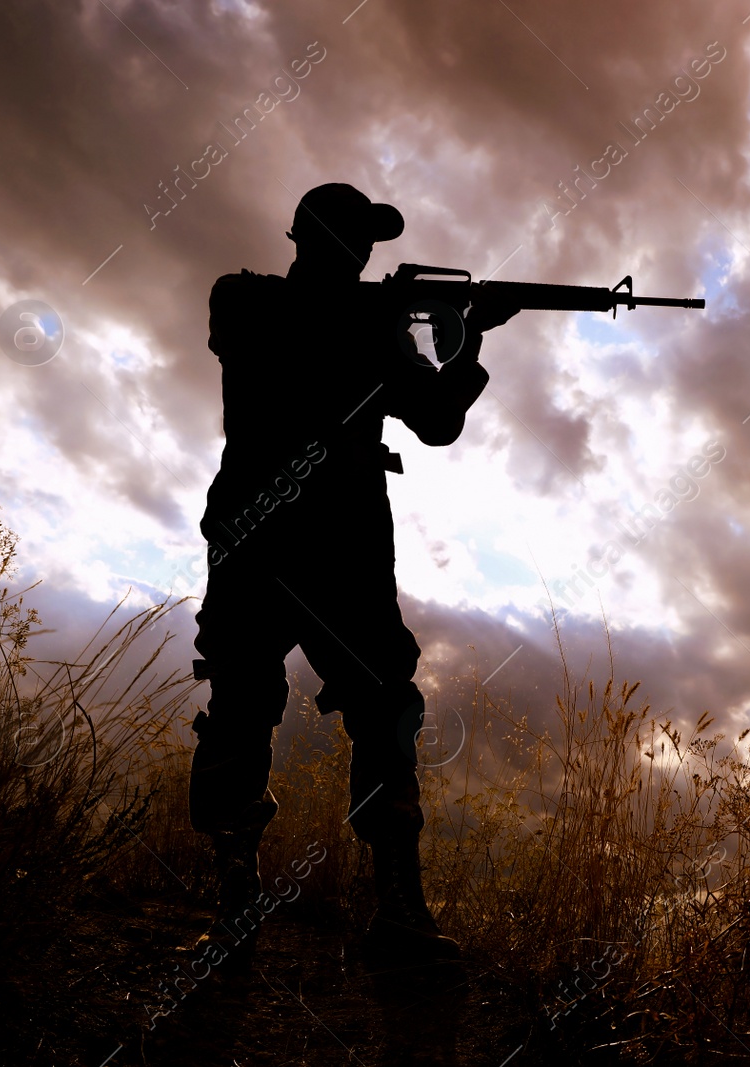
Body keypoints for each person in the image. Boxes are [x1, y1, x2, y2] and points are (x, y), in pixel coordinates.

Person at [186, 183, 515, 966]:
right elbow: (435, 419)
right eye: (352, 235)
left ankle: (286, 901)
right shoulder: (252, 299)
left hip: (263, 534)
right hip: (331, 542)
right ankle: (380, 906)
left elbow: (432, 419)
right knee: (354, 705)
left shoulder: (269, 306)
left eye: (366, 239)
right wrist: (457, 346)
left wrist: (456, 344)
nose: (361, 250)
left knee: (263, 700)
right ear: (306, 236)